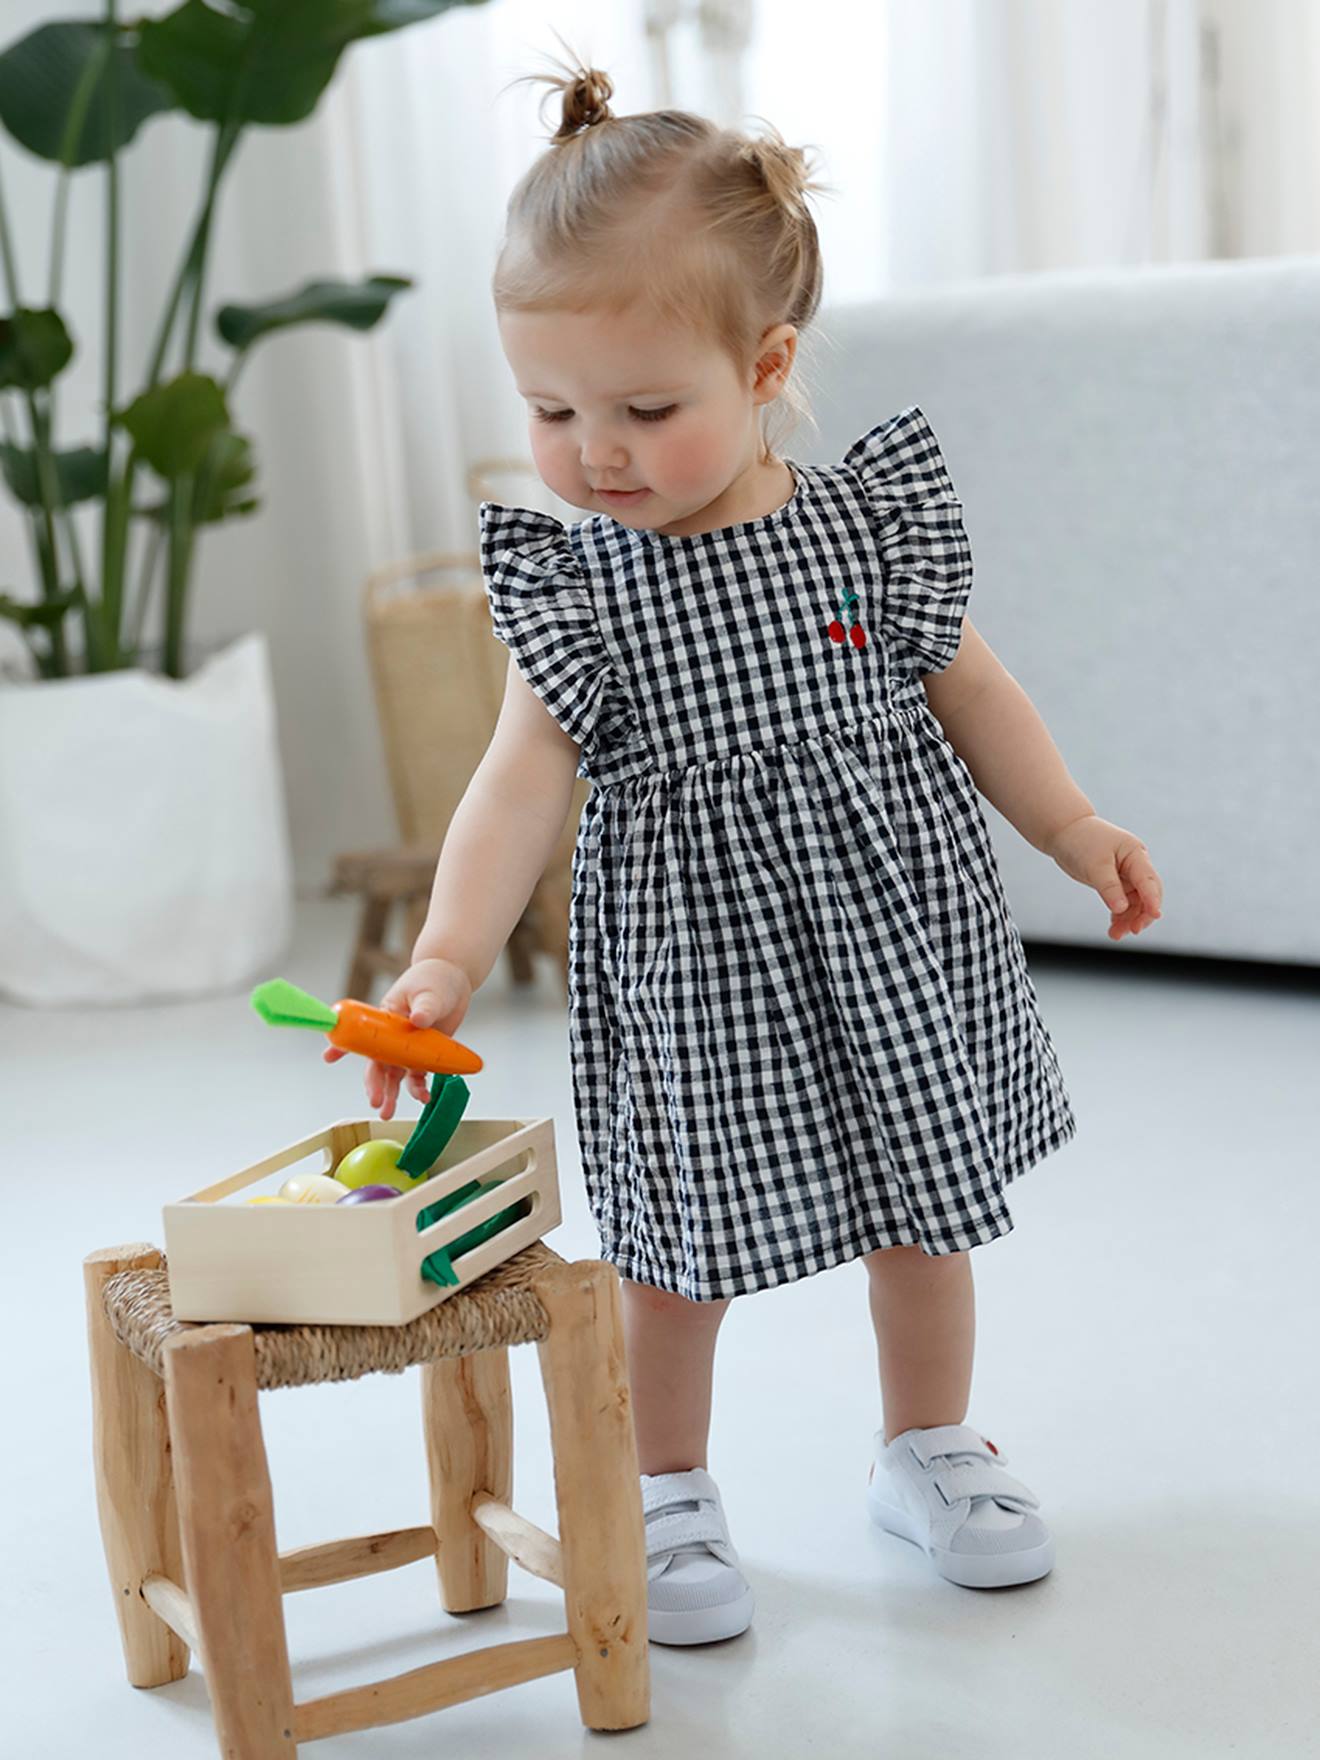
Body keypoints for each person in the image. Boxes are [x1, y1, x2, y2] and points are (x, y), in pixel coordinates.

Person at [331, 57, 1165, 1647]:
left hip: (895, 933)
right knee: (675, 1246)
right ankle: (667, 1487)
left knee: (925, 1207)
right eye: (553, 412)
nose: (597, 452)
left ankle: (929, 1446)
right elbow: (516, 786)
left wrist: (1069, 823)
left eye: (647, 409)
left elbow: (973, 688)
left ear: (768, 363)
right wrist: (441, 959)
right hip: (698, 969)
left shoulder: (865, 524)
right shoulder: (580, 587)